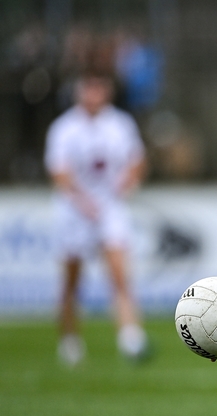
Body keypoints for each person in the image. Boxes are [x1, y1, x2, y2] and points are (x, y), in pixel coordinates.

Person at [45, 72, 149, 366]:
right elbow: (59, 171)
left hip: (109, 208)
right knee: (71, 280)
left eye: (98, 88)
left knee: (119, 275)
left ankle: (131, 338)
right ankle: (70, 341)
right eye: (88, 88)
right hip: (74, 210)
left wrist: (126, 182)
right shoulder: (64, 128)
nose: (93, 94)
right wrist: (81, 200)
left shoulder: (120, 124)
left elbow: (137, 160)